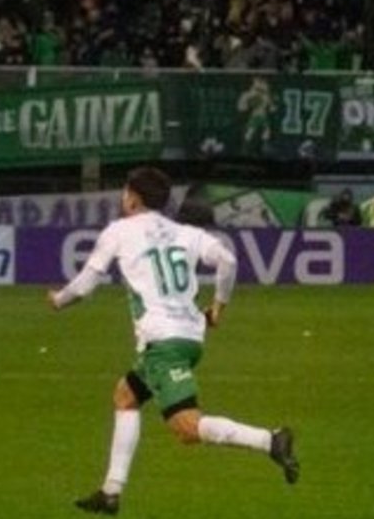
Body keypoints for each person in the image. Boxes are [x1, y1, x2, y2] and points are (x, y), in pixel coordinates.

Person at [48, 167, 299, 515]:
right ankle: (110, 492)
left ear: (133, 198)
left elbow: (85, 285)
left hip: (162, 343)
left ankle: (270, 440)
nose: (123, 197)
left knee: (186, 428)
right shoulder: (187, 233)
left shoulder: (119, 231)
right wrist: (218, 307)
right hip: (190, 338)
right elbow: (227, 260)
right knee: (126, 395)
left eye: (125, 191)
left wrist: (58, 300)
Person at [237, 77, 276, 154]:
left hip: (263, 116)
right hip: (256, 116)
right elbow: (243, 106)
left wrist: (272, 107)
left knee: (266, 130)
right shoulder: (251, 95)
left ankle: (265, 145)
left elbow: (271, 107)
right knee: (251, 130)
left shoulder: (266, 96)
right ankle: (245, 147)